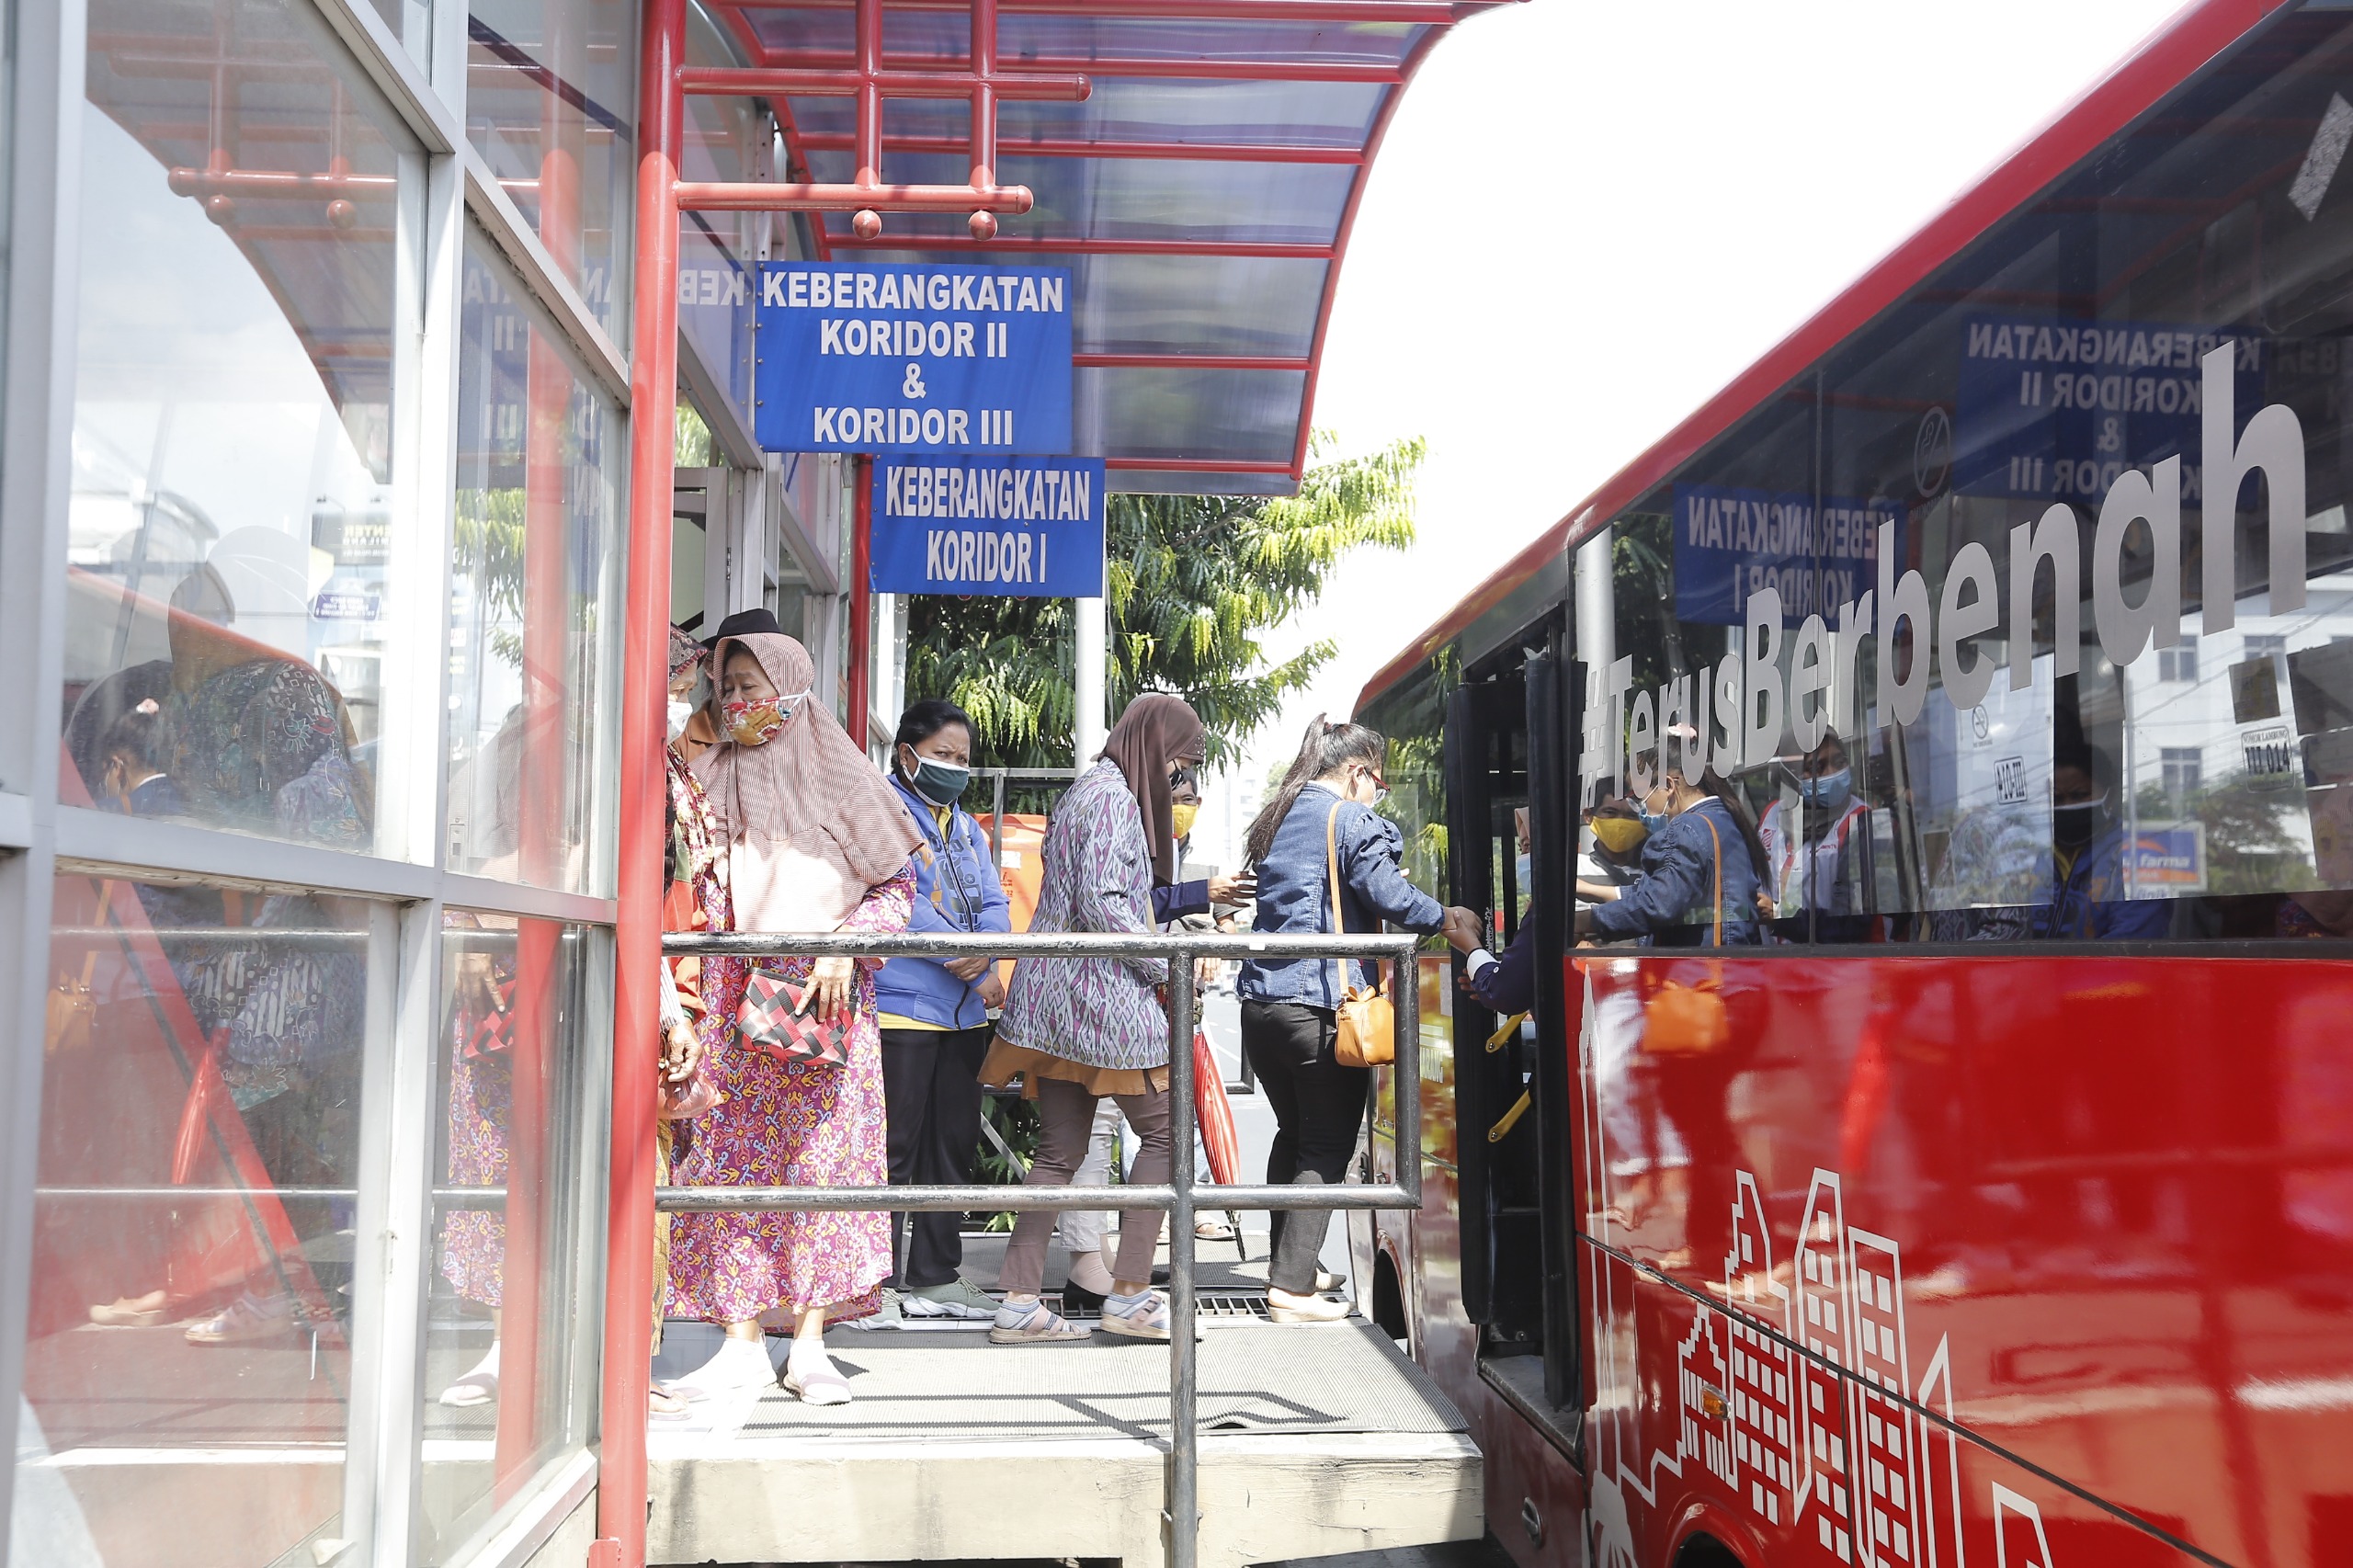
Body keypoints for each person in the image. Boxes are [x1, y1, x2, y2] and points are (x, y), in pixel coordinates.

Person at [665, 616, 922, 1406]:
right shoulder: (707, 771)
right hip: (730, 1001)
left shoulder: (843, 776)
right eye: (727, 687)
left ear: (789, 686)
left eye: (751, 687)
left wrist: (844, 945)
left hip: (821, 1001)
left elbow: (897, 888)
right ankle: (740, 1343)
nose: (737, 702)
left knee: (824, 1166)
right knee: (729, 1165)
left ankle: (811, 1344)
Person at [983, 694, 1208, 1345]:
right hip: (1100, 999)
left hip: (1055, 1001)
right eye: (1181, 763)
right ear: (1157, 749)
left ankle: (1020, 1301)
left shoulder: (1089, 791)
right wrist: (1168, 970)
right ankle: (1132, 1293)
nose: (1181, 779)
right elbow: (1108, 907)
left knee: (1058, 1152)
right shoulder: (1114, 801)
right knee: (1167, 1135)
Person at [1239, 717, 1448, 1324]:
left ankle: (1288, 1263)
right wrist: (1447, 914)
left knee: (1294, 1134)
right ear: (1358, 772)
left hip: (1263, 1006)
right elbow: (1389, 895)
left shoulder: (1282, 814)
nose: (1377, 795)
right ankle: (1291, 1289)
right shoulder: (1349, 817)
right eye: (1377, 785)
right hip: (1319, 1006)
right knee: (1329, 1143)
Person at [870, 698, 1011, 1325]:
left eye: (963, 759)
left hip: (962, 1016)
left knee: (950, 1147)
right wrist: (972, 961)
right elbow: (898, 901)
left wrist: (991, 954)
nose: (955, 768)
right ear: (907, 755)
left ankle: (935, 1276)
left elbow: (992, 900)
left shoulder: (965, 826)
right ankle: (867, 1283)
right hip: (902, 1008)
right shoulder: (882, 810)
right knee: (890, 1149)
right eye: (943, 756)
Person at [1575, 757, 1768, 947]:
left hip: (1696, 969)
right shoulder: (1725, 820)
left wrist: (1589, 919)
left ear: (1668, 786)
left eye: (1640, 798)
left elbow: (1659, 905)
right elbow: (1671, 890)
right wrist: (1591, 890)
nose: (1640, 808)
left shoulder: (1683, 829)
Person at [2033, 743, 2169, 940]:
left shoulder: (2138, 855)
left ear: (2110, 796)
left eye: (2079, 795)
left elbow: (2132, 942)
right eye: (2057, 798)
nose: (2067, 806)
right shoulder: (2037, 856)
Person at [1756, 731, 1873, 939]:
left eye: (1840, 762)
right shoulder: (1771, 817)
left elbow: (1851, 924)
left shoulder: (1860, 822)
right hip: (1772, 965)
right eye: (1816, 768)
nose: (1832, 773)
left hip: (1833, 967)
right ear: (1790, 774)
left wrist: (1781, 917)